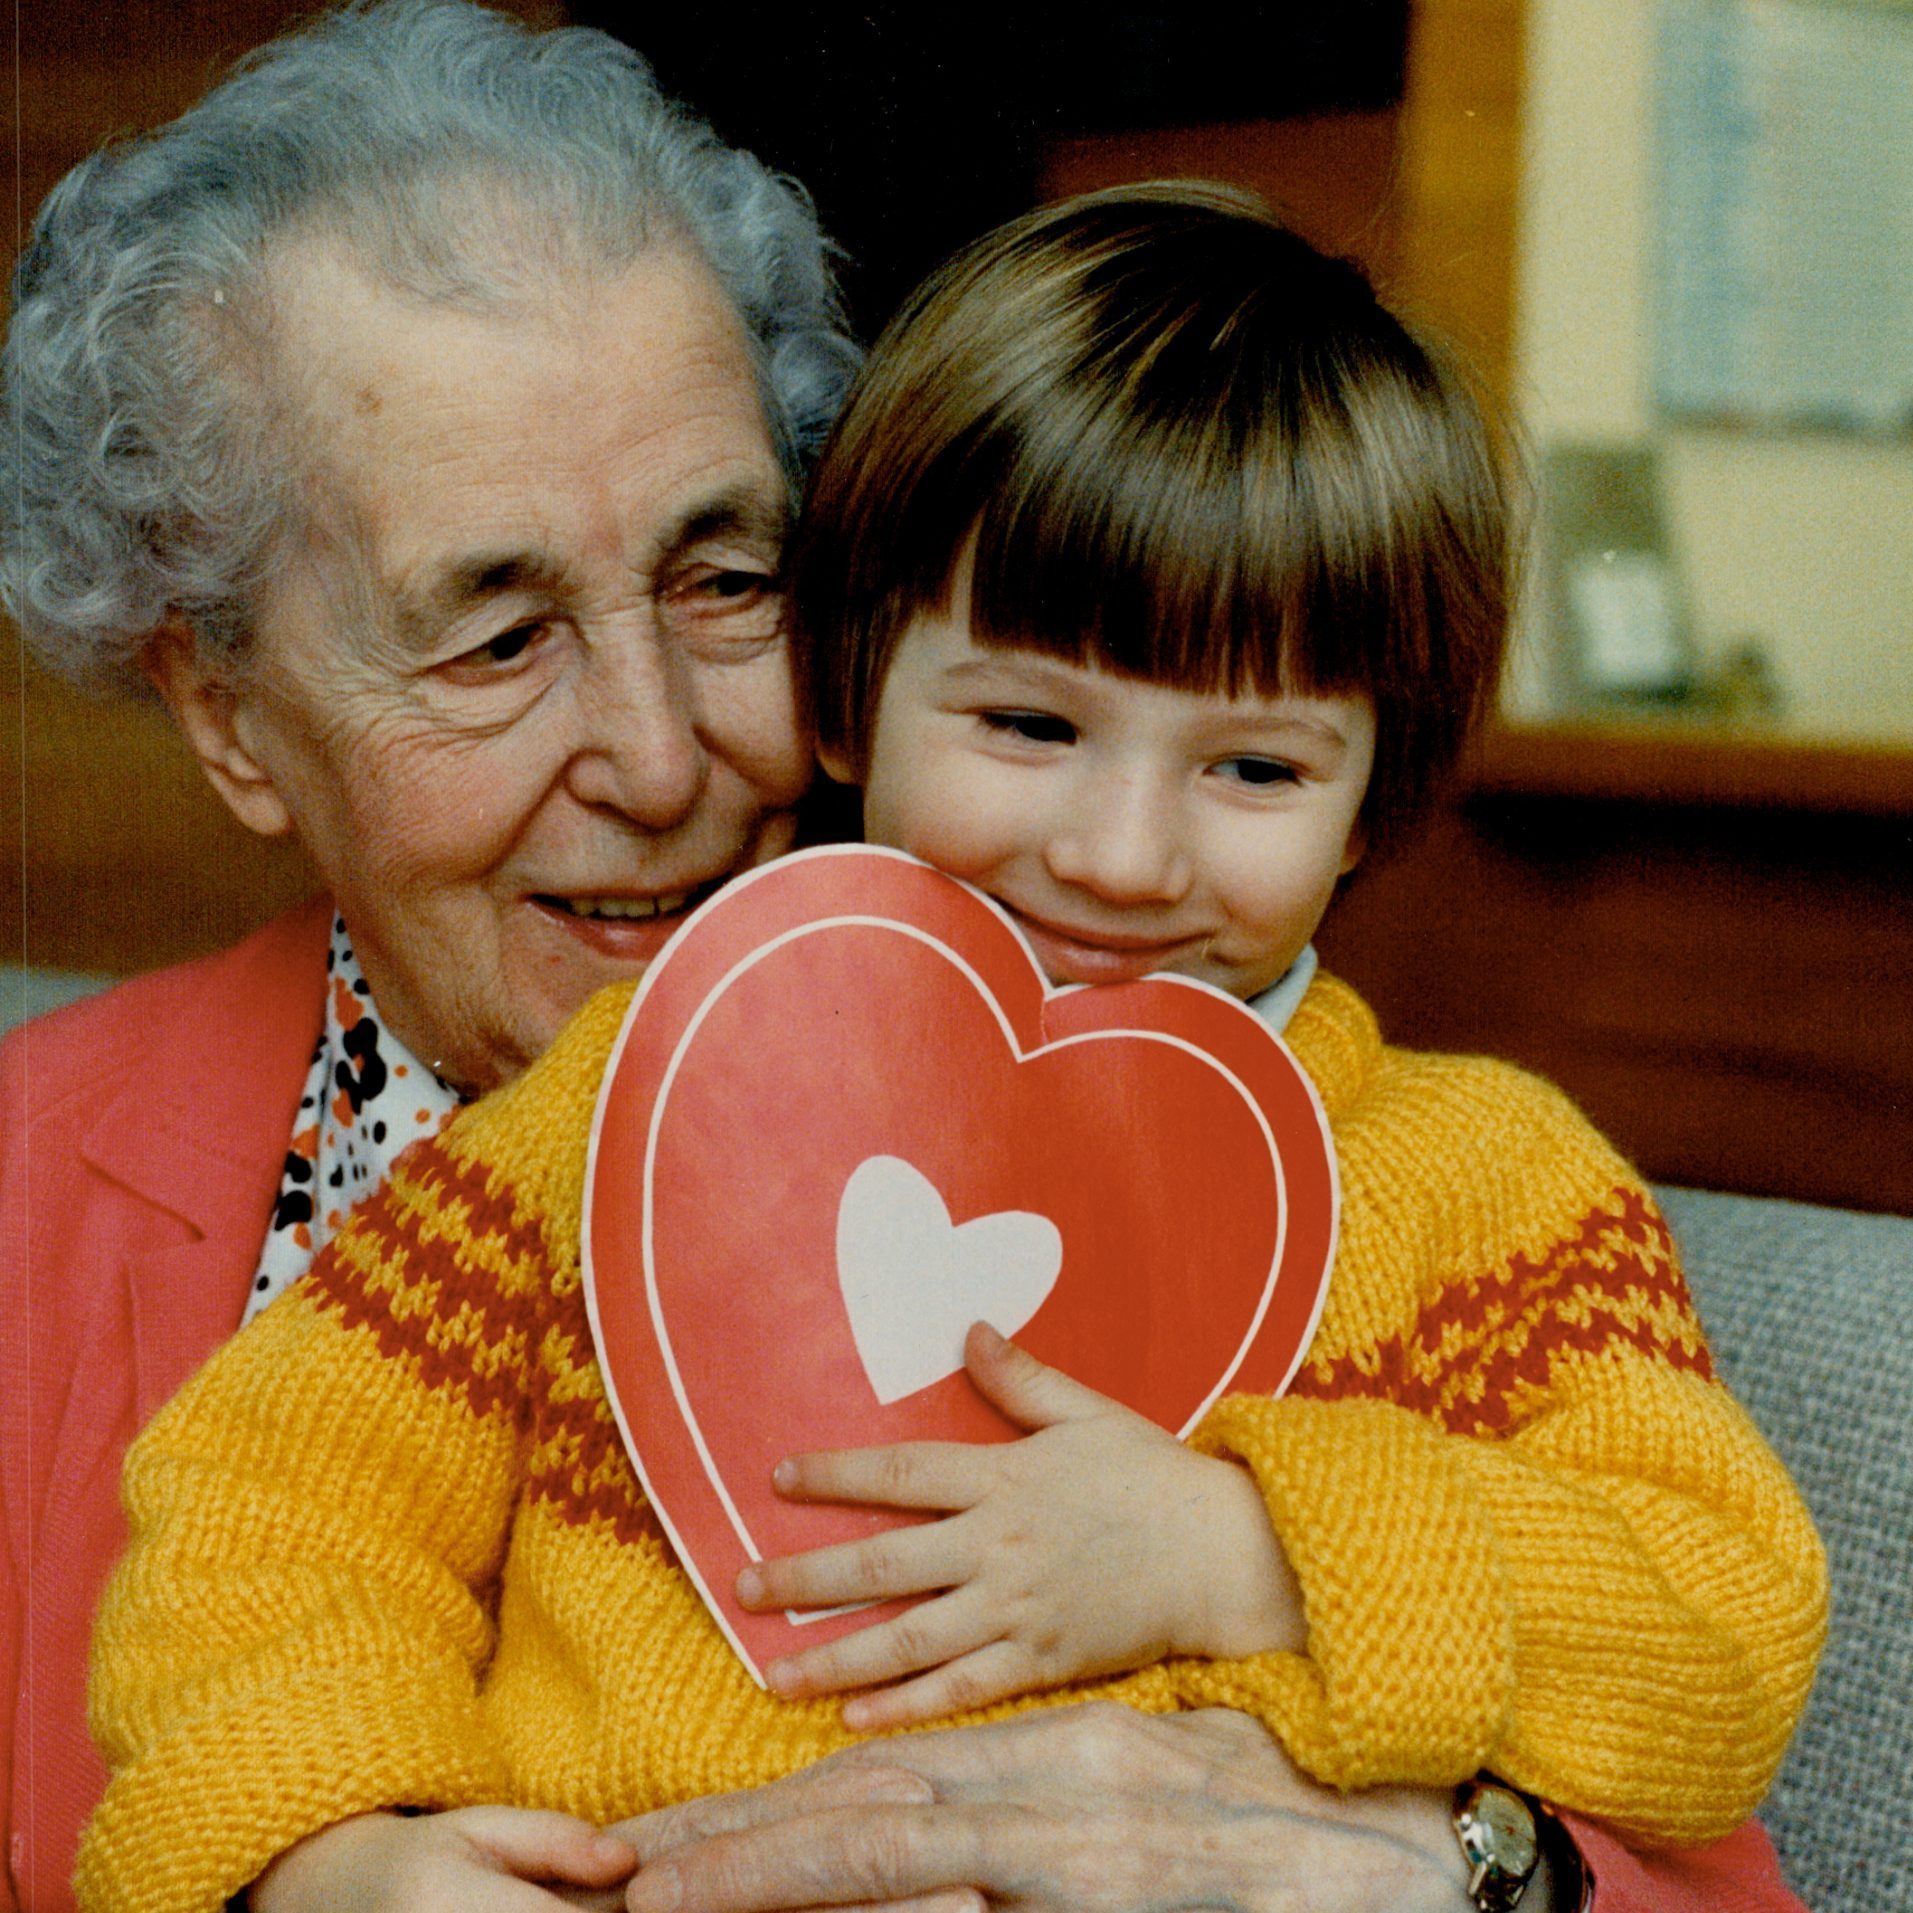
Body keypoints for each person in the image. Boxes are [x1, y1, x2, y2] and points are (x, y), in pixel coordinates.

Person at [62, 169, 1823, 1913]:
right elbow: (273, 1506)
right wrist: (334, 1846)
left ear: (1371, 799)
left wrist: (1253, 1549)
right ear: (849, 692)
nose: (1120, 855)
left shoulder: (1485, 1185)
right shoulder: (631, 1095)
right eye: (1031, 725)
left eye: (1254, 766)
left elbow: (1721, 1628)